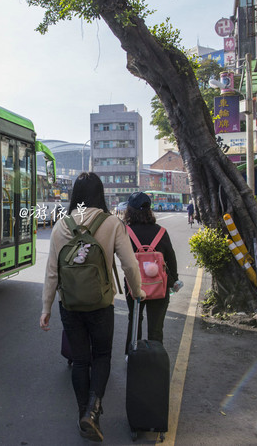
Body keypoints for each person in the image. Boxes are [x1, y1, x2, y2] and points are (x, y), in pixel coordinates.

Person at [40, 172, 144, 442]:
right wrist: (138, 289)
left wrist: (46, 308)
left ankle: (82, 414)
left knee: (80, 361)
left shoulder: (61, 225)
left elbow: (52, 271)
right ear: (101, 194)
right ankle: (93, 411)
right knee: (101, 357)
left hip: (70, 305)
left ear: (75, 194)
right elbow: (129, 265)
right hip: (101, 304)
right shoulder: (111, 223)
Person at [124, 192, 179, 354]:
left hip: (133, 286)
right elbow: (171, 259)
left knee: (134, 320)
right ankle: (155, 361)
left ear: (130, 210)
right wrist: (174, 281)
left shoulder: (126, 232)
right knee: (156, 328)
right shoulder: (161, 232)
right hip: (159, 286)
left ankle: (131, 356)